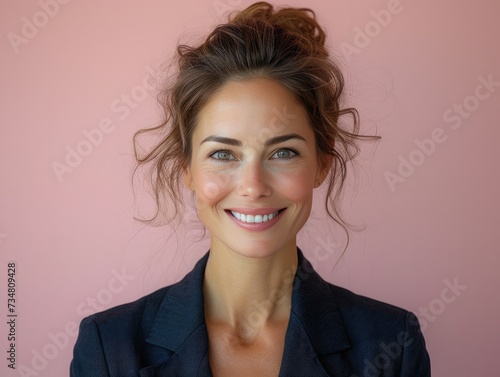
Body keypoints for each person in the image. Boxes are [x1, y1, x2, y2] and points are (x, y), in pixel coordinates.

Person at [70, 2, 431, 376]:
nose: (253, 186)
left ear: (322, 163)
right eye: (224, 154)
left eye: (283, 152)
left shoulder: (393, 344)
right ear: (187, 169)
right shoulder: (109, 347)